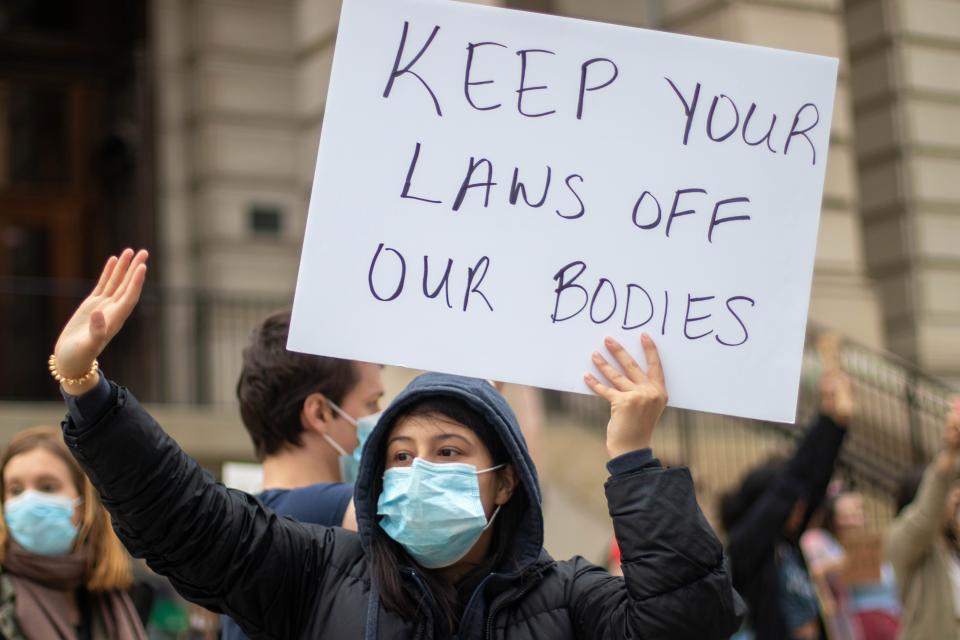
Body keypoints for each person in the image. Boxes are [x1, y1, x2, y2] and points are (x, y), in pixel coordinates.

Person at [49, 248, 743, 638]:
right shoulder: (318, 572)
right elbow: (188, 522)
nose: (418, 471)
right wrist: (86, 385)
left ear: (506, 480)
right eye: (400, 455)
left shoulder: (570, 598)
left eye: (447, 452)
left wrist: (631, 456)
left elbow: (688, 623)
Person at [221, 310, 383, 639]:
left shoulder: (254, 515)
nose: (383, 418)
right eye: (372, 404)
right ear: (320, 412)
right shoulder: (318, 512)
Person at [720, 370, 854, 640]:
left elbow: (812, 485)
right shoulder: (746, 546)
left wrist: (837, 426)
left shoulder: (786, 544)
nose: (799, 510)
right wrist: (826, 421)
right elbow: (791, 485)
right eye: (791, 506)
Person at [0, 426, 147, 639]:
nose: (28, 500)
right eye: (15, 490)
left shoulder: (118, 599)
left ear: (83, 504)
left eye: (47, 487)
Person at [885, 400, 960, 640]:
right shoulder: (902, 540)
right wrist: (949, 452)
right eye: (949, 491)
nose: (956, 496)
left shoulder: (949, 545)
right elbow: (926, 517)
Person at [801, 489, 899, 640]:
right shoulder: (824, 543)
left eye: (858, 512)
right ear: (834, 519)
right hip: (864, 620)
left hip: (891, 615)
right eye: (847, 516)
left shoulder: (869, 544)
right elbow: (817, 570)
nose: (855, 519)